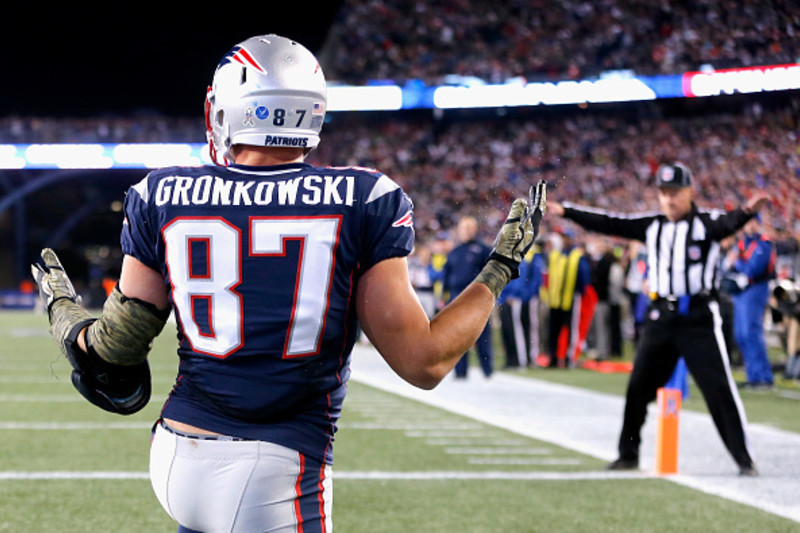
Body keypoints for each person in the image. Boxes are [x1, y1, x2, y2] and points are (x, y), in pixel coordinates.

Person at [30, 34, 542, 533]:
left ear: (228, 109)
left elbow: (115, 349)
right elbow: (424, 362)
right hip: (276, 468)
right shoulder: (363, 198)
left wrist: (62, 312)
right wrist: (499, 268)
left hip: (176, 454)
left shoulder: (162, 193)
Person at [547, 161, 769, 476]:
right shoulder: (652, 225)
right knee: (638, 387)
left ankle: (744, 460)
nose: (669, 200)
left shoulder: (706, 223)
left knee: (718, 389)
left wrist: (746, 212)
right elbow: (611, 223)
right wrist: (568, 211)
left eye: (675, 193)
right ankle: (628, 453)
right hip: (660, 317)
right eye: (663, 193)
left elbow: (728, 223)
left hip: (698, 317)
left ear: (690, 192)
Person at [442, 215, 496, 379]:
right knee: (458, 336)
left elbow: (491, 273)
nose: (463, 231)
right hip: (456, 299)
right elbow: (447, 275)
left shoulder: (483, 250)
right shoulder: (454, 252)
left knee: (482, 335)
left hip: (477, 300)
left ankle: (487, 371)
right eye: (462, 228)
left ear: (474, 229)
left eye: (466, 228)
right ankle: (460, 371)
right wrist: (443, 297)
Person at [728, 215, 776, 388]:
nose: (749, 226)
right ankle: (752, 375)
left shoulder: (763, 243)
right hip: (741, 292)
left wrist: (738, 263)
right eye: (747, 222)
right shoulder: (742, 243)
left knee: (751, 333)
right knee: (741, 334)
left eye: (753, 222)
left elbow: (753, 270)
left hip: (756, 290)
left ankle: (763, 377)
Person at [545, 228, 591, 367]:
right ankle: (553, 358)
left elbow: (584, 276)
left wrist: (579, 292)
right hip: (555, 299)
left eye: (567, 238)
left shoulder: (577, 255)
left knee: (571, 330)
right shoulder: (556, 254)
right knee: (553, 331)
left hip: (570, 299)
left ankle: (568, 359)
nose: (565, 240)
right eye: (563, 237)